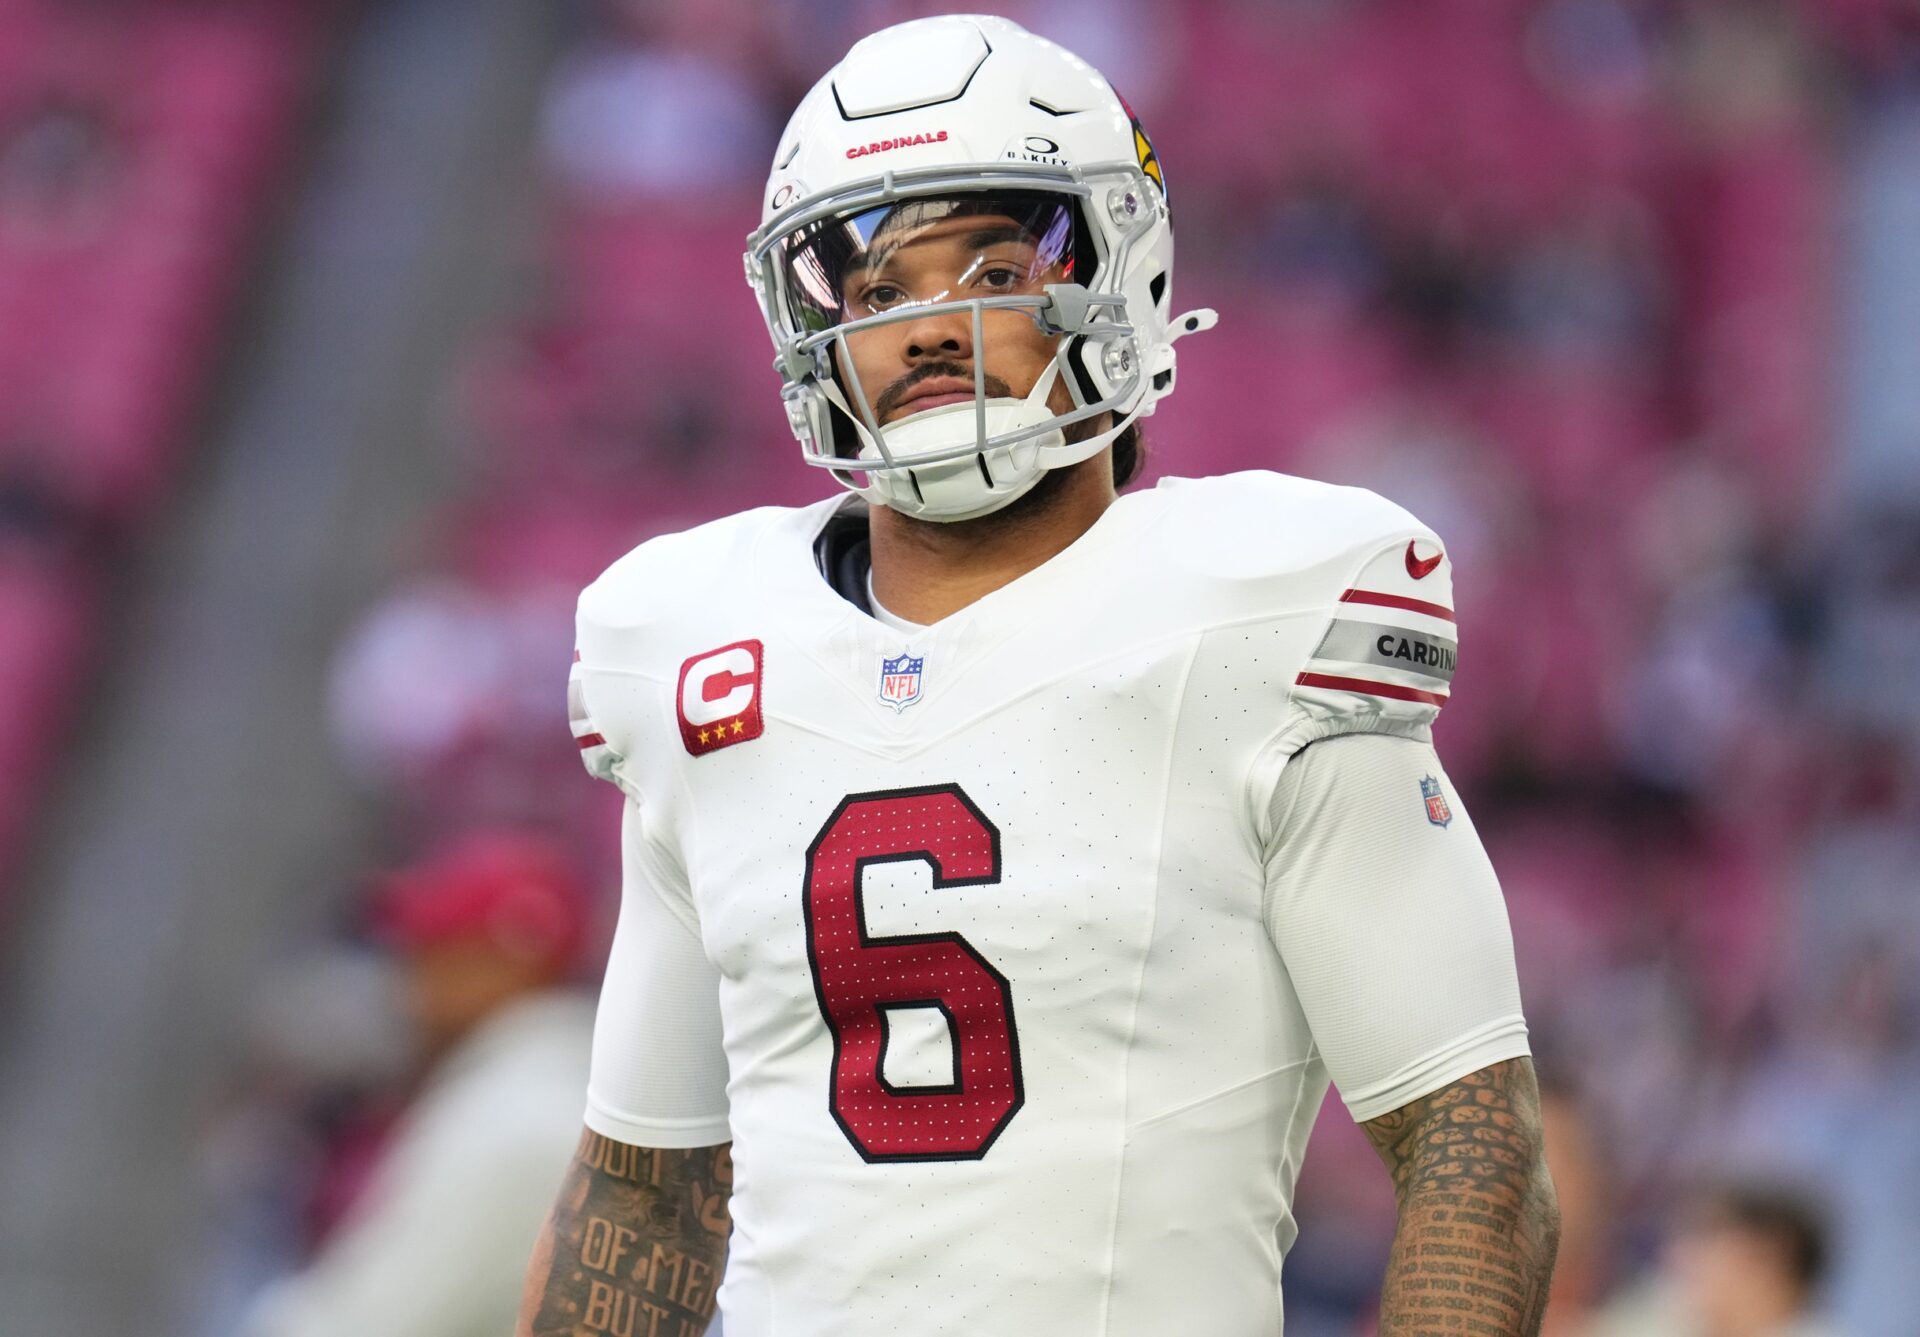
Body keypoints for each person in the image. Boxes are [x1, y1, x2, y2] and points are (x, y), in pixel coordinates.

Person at [519, 16, 1557, 1336]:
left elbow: (1476, 1159)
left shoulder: (1255, 616)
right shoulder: (698, 651)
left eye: (988, 268)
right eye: (881, 292)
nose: (930, 329)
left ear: (1115, 272)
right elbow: (643, 1197)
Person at [247, 832, 596, 1337]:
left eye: (433, 952)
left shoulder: (518, 1116)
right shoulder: (548, 1091)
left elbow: (364, 1325)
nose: (407, 987)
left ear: (501, 966)